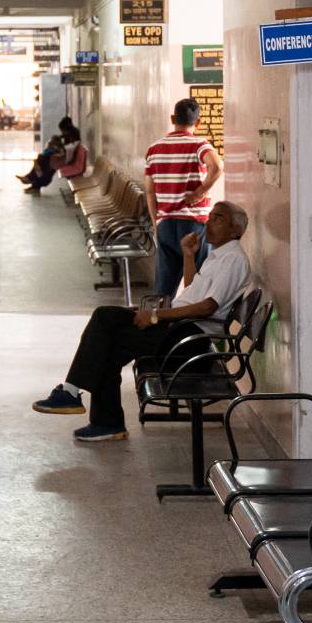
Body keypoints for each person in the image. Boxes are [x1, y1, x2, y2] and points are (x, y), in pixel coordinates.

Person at [29, 202, 252, 440]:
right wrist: (188, 255)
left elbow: (207, 307)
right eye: (210, 217)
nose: (209, 222)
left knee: (110, 341)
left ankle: (100, 416)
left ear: (235, 230)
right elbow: (192, 292)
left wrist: (156, 315)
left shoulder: (234, 260)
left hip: (190, 340)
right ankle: (84, 403)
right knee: (105, 316)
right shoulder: (218, 256)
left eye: (218, 218)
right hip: (181, 329)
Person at [145, 98, 223, 298]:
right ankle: (191, 328)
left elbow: (150, 192)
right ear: (198, 122)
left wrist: (156, 223)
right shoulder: (199, 145)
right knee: (198, 286)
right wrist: (200, 192)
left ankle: (160, 325)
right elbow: (217, 166)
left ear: (173, 118)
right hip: (194, 227)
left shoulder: (154, 149)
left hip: (166, 225)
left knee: (163, 292)